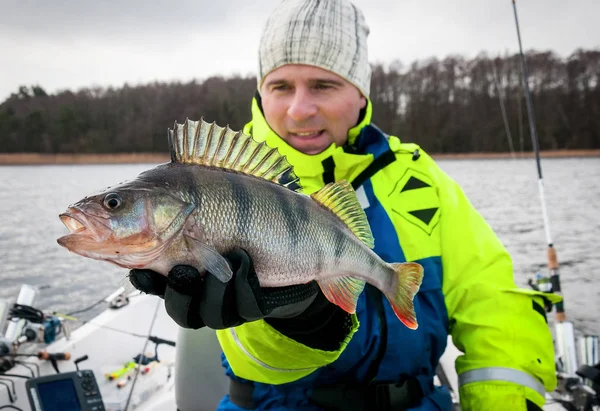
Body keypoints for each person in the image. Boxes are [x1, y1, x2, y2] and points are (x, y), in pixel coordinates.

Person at [129, 0, 560, 409]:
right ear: (260, 93)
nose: (299, 109)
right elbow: (248, 360)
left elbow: (491, 301)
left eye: (323, 85)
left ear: (361, 94)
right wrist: (301, 320)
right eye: (280, 86)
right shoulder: (218, 180)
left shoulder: (419, 179)